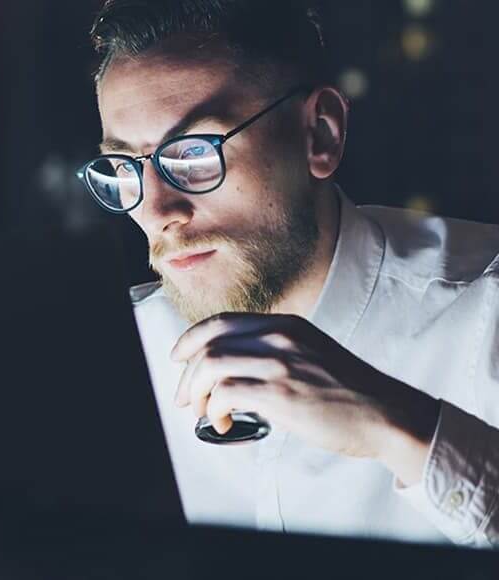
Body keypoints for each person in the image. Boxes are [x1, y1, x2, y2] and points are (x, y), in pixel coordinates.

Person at [77, 0, 499, 547]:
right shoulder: (107, 356)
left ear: (319, 134)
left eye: (192, 154)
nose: (158, 212)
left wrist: (399, 427)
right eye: (124, 168)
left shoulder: (485, 312)